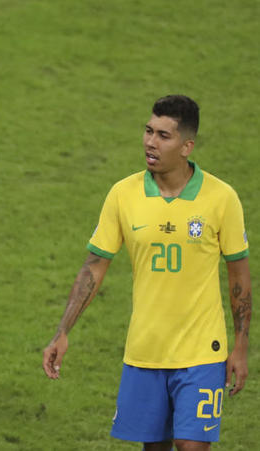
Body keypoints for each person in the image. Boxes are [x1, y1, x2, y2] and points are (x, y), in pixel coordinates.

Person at [42, 95, 251, 450]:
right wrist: (63, 331)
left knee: (191, 446)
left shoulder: (221, 198)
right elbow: (94, 266)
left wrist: (241, 346)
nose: (151, 142)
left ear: (187, 146)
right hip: (145, 351)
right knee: (154, 448)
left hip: (203, 351)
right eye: (148, 131)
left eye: (164, 136)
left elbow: (239, 278)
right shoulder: (124, 195)